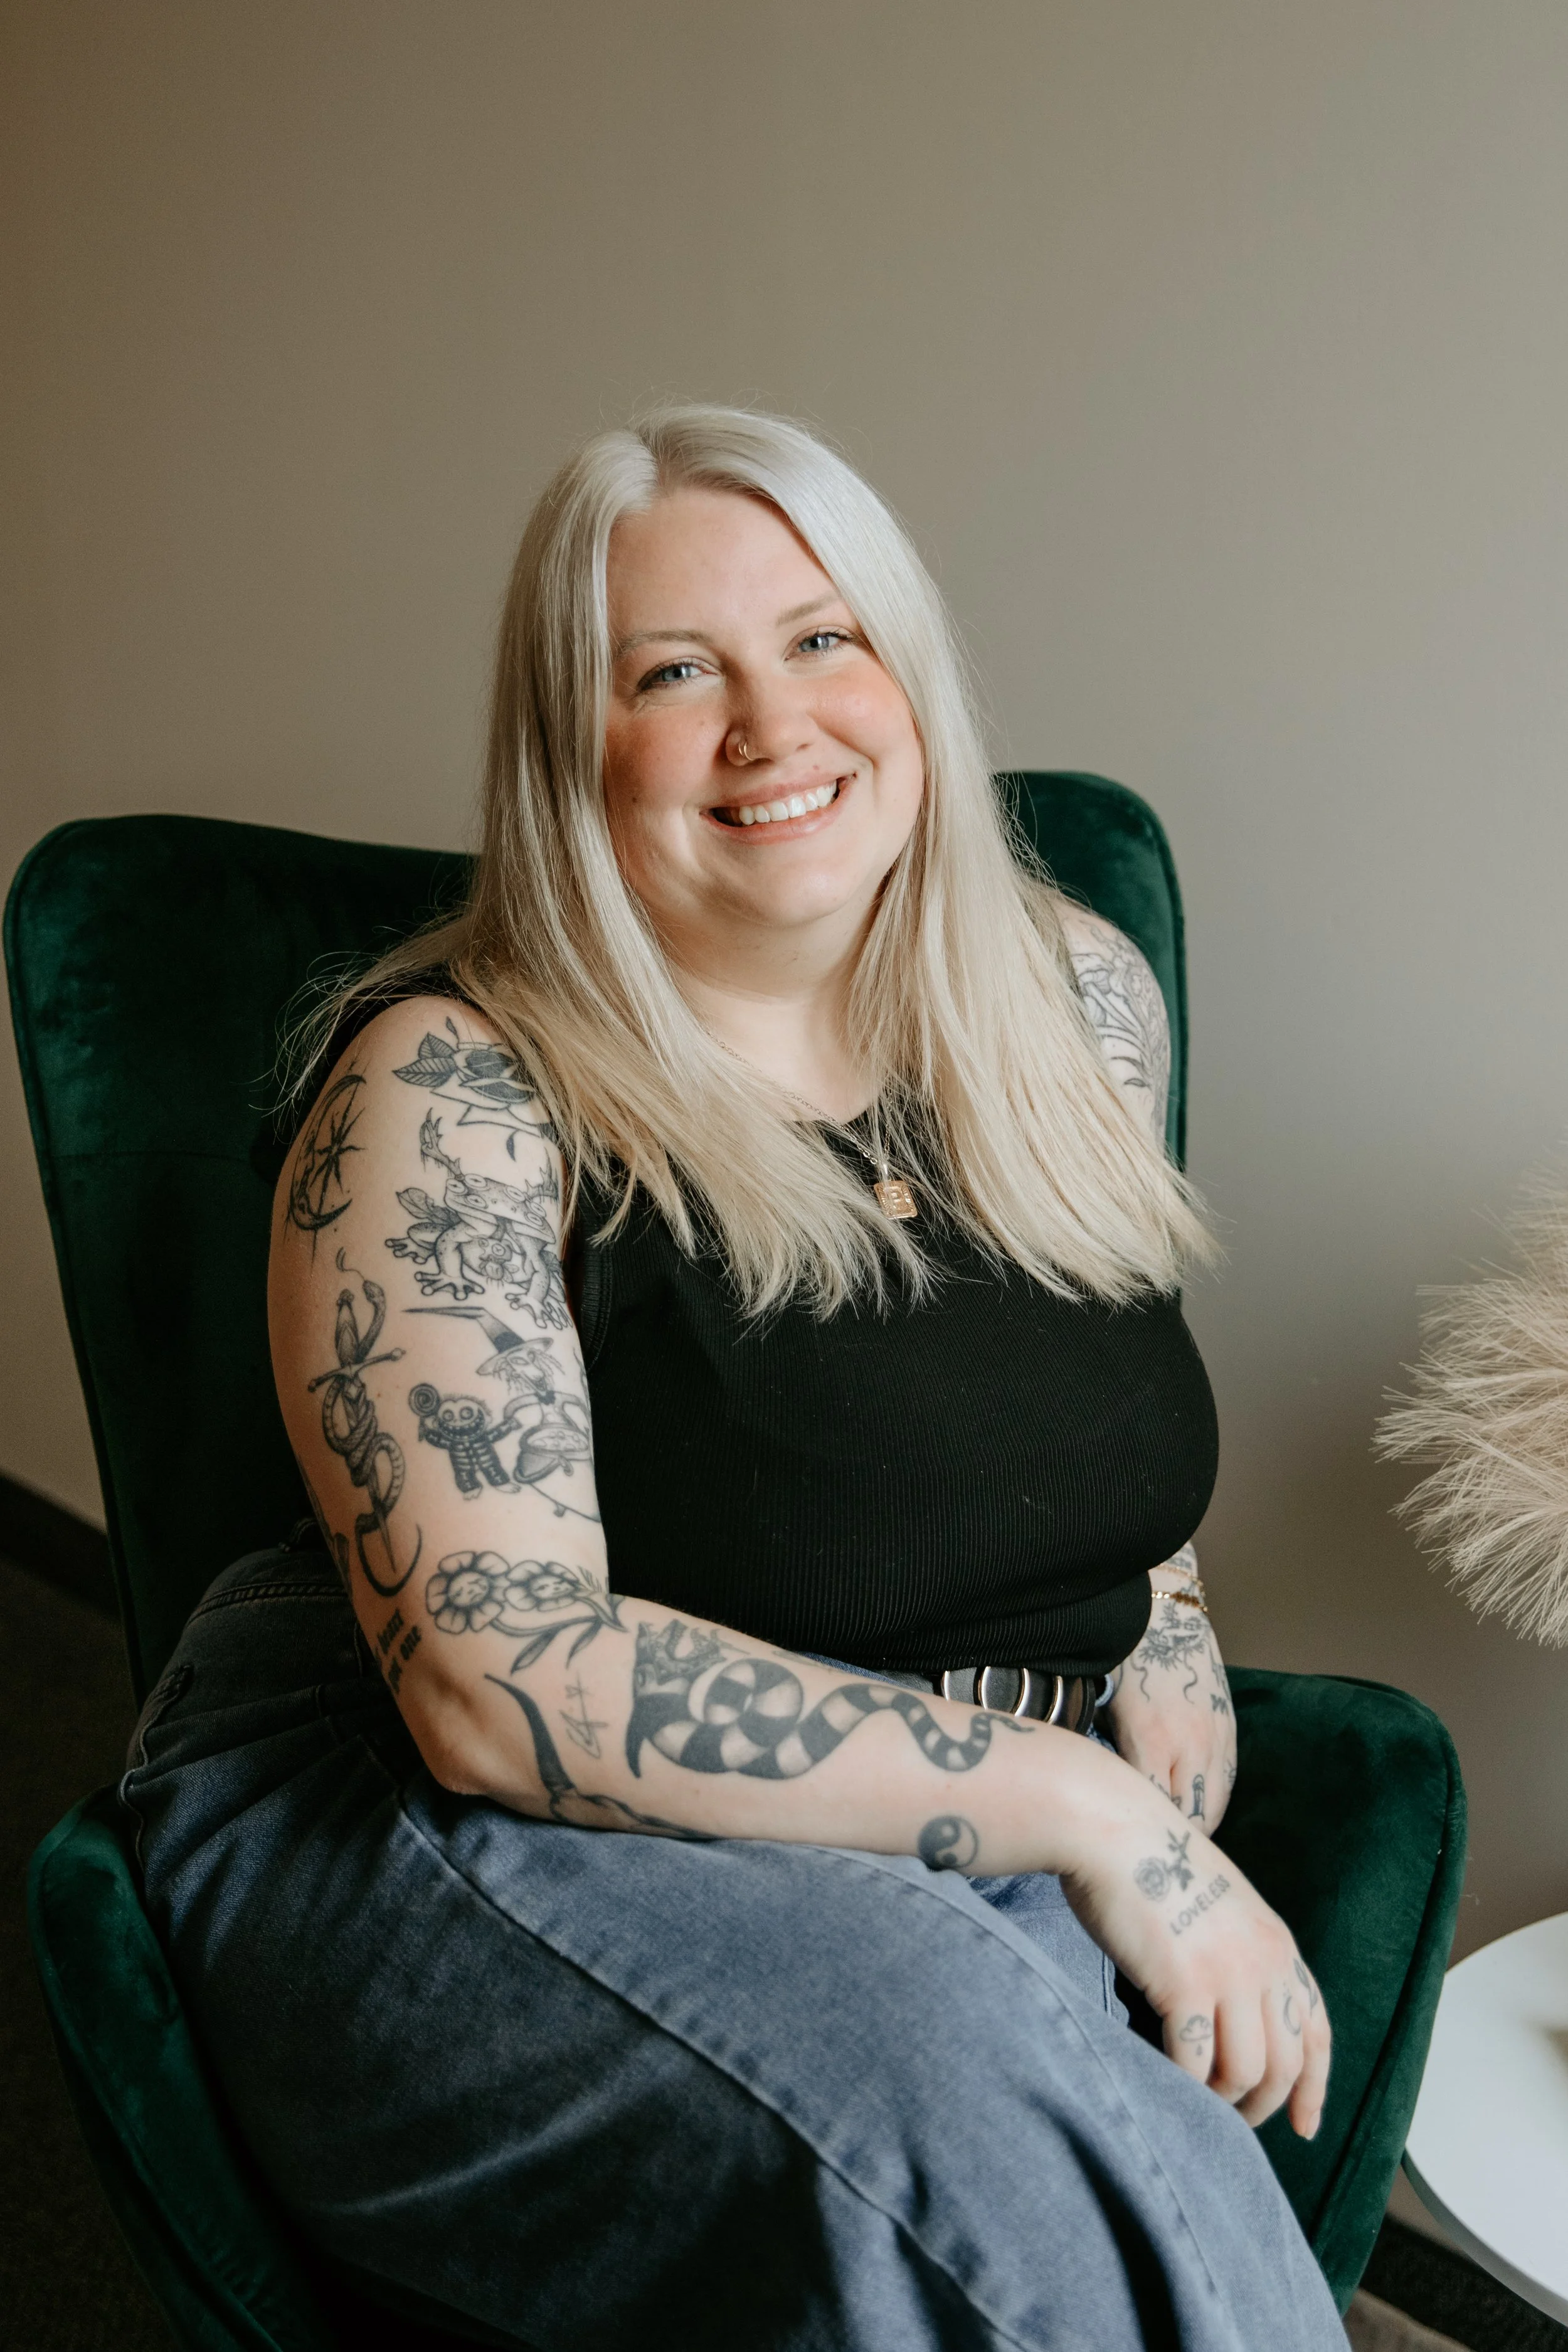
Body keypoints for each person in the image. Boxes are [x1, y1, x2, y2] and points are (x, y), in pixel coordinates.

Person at [123, 408, 1343, 2351]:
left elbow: (1080, 1385)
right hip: (441, 1820)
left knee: (1068, 2155)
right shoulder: (447, 1093)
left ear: (908, 674)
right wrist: (1085, 1810)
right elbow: (494, 1683)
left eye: (822, 639)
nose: (773, 726)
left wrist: (1164, 1616)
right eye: (672, 674)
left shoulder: (1071, 993)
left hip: (903, 1802)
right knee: (970, 2104)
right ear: (569, 748)